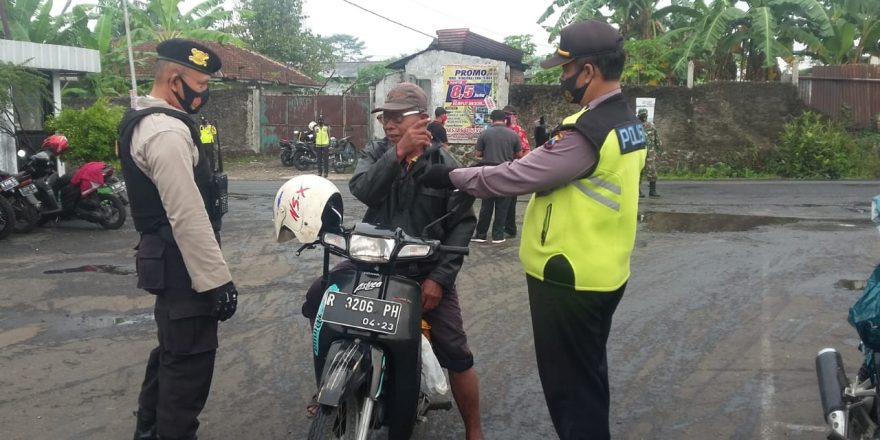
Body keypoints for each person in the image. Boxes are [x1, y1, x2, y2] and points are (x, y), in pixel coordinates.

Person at [420, 20, 645, 440]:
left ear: (589, 71)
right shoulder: (627, 122)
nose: (563, 79)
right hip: (605, 270)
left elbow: (516, 176)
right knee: (588, 378)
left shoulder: (589, 133)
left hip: (568, 276)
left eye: (565, 70)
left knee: (570, 392)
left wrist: (452, 177)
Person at [301, 82, 484, 440]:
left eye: (399, 116)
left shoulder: (445, 164)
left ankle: (474, 430)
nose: (389, 122)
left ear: (423, 119)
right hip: (370, 262)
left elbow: (462, 225)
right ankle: (331, 383)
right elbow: (364, 189)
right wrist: (397, 152)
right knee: (316, 300)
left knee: (455, 351)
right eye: (386, 116)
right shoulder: (376, 151)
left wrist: (440, 279)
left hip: (423, 270)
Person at [118, 39, 238, 440]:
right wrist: (216, 280)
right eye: (200, 84)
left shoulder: (149, 118)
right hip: (181, 261)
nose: (203, 93)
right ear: (174, 79)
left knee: (171, 354)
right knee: (188, 364)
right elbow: (186, 213)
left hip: (168, 258)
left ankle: (148, 432)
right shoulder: (165, 130)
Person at [472, 109, 522, 244]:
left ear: (491, 120)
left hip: (488, 172)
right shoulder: (513, 135)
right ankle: (498, 236)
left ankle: (481, 234)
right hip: (506, 172)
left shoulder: (485, 134)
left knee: (486, 205)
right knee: (502, 205)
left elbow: (477, 154)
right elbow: (519, 154)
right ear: (505, 120)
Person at [502, 105, 531, 238]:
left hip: (511, 168)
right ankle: (503, 227)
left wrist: (518, 164)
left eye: (509, 115)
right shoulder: (497, 129)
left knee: (509, 200)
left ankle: (509, 227)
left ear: (515, 116)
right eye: (505, 115)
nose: (507, 117)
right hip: (500, 167)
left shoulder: (518, 131)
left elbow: (526, 151)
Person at [638, 108, 662, 198]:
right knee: (639, 171)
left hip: (650, 152)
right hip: (640, 151)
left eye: (645, 115)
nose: (644, 117)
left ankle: (652, 191)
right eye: (642, 115)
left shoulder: (651, 125)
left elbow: (657, 138)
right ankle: (638, 191)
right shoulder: (636, 126)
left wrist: (659, 149)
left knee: (652, 170)